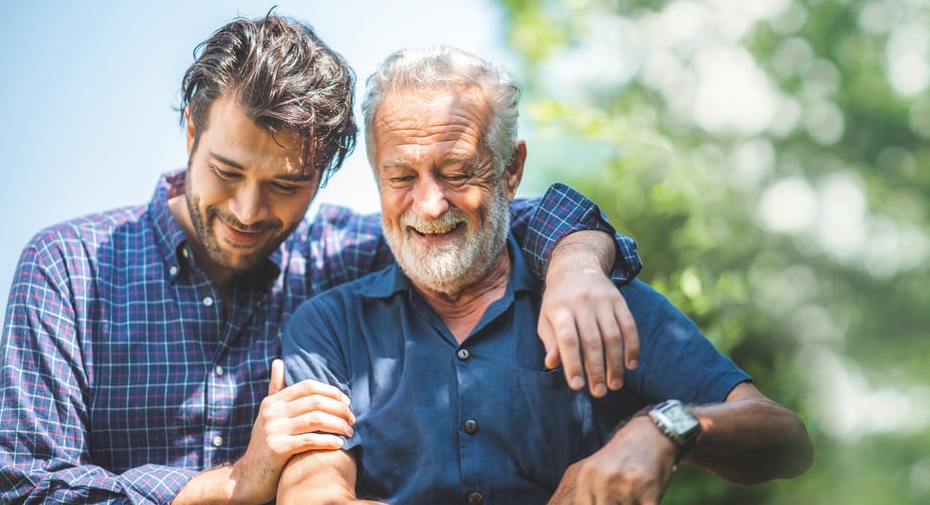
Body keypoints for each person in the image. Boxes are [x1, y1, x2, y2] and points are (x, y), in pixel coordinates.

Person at [0, 14, 645, 504]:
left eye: (284, 185)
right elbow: (27, 488)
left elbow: (480, 216)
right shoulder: (66, 268)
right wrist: (228, 484)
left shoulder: (343, 252)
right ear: (191, 132)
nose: (248, 210)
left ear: (326, 173)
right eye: (225, 171)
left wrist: (578, 260)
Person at [276, 46, 814, 504]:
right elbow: (311, 491)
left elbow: (784, 438)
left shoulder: (596, 300)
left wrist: (664, 427)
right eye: (400, 176)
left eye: (458, 172)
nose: (430, 204)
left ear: (511, 170)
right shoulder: (330, 325)